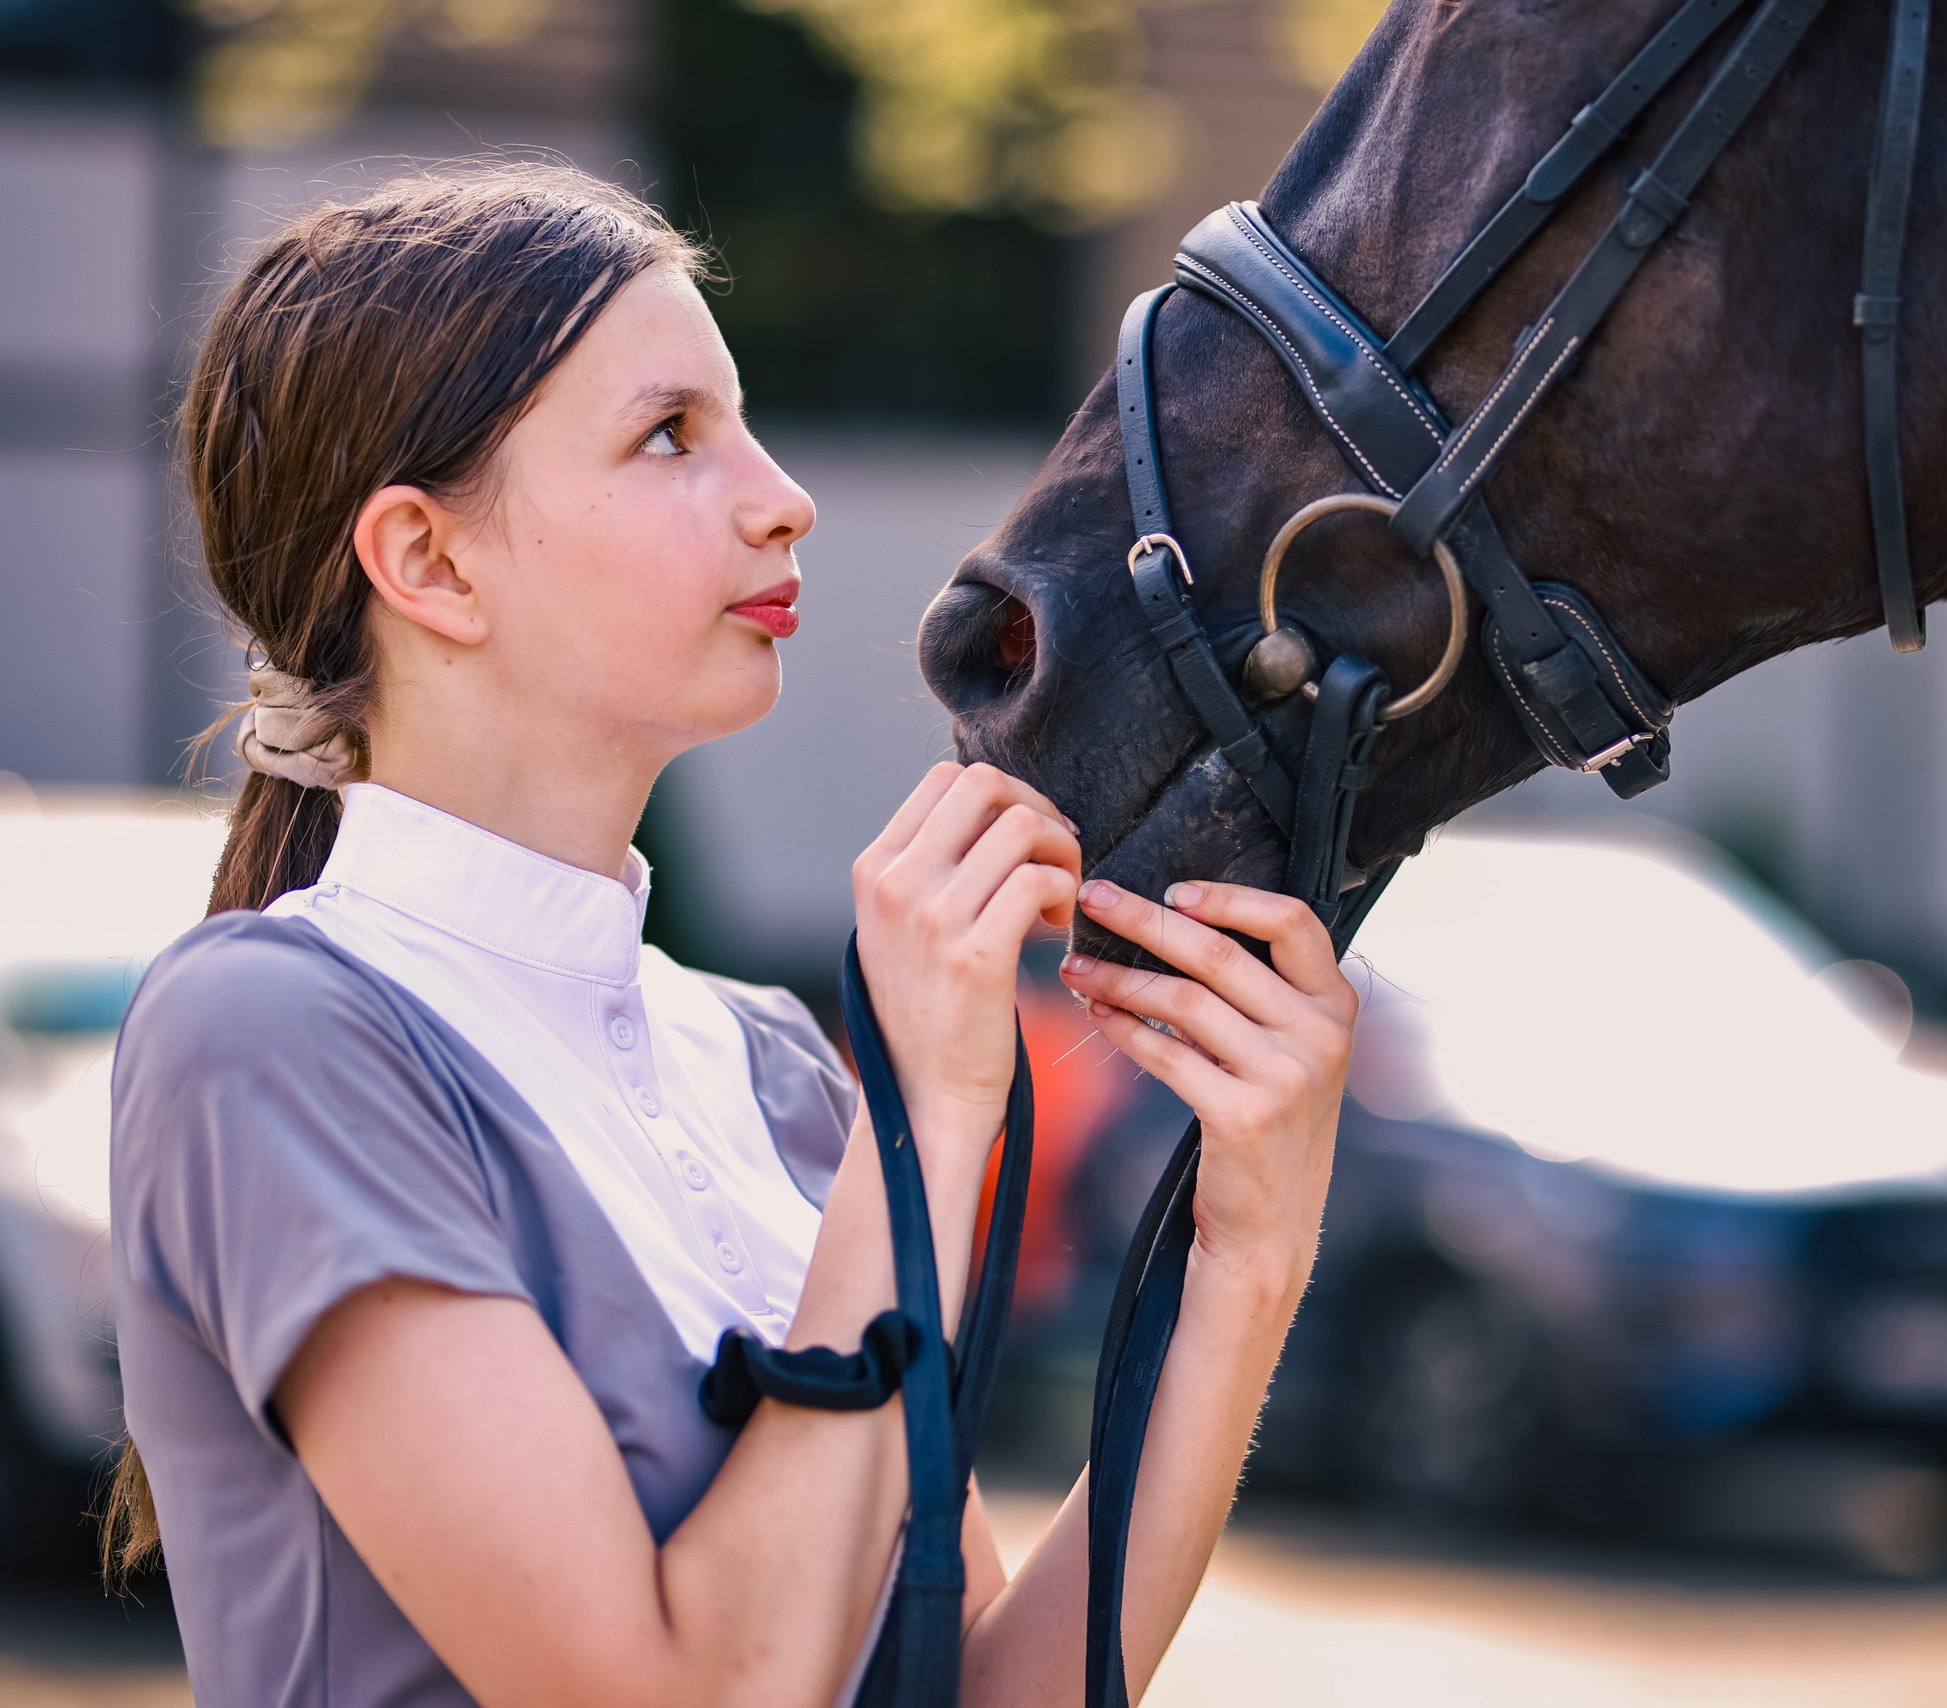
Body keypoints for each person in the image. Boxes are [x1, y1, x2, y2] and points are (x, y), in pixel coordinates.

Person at [105, 163, 1355, 1708]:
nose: (784, 496)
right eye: (670, 436)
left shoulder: (768, 1065)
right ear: (429, 563)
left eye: (742, 420)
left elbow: (980, 1692)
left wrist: (1247, 1252)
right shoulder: (270, 1034)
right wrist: (930, 1111)